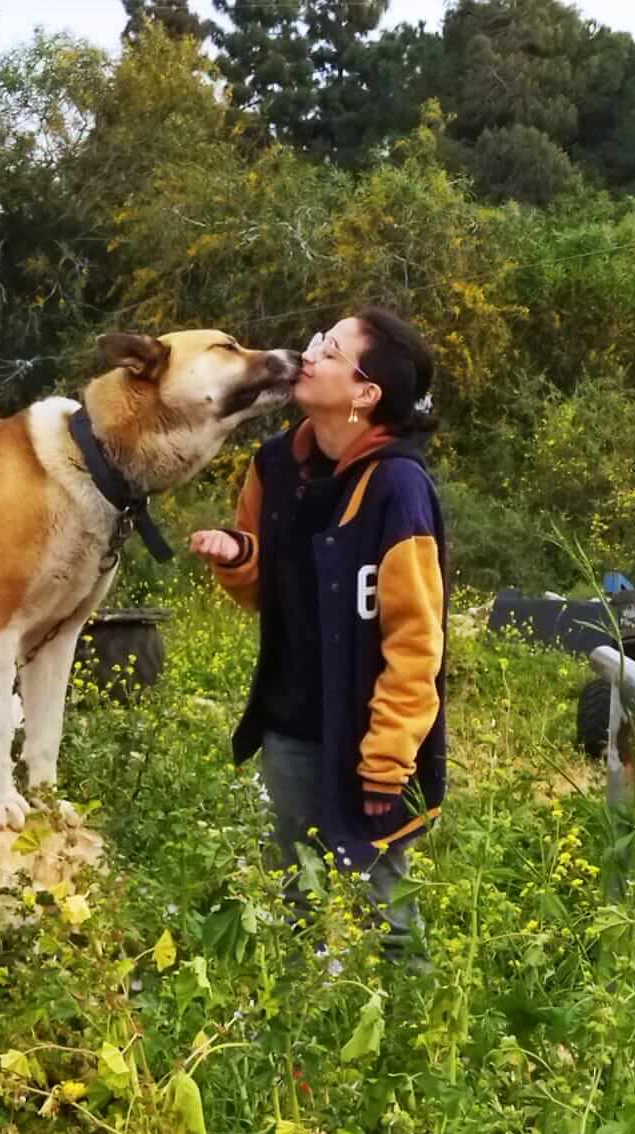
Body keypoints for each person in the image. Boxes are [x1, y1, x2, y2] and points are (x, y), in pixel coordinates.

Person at [189, 307, 447, 963]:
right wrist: (238, 559)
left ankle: (407, 1040)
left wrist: (389, 757)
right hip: (289, 722)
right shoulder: (274, 466)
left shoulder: (398, 488)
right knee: (298, 896)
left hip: (372, 738)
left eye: (330, 351)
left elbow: (415, 643)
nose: (309, 356)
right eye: (316, 343)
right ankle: (310, 1040)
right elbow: (262, 592)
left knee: (384, 909)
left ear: (367, 393)